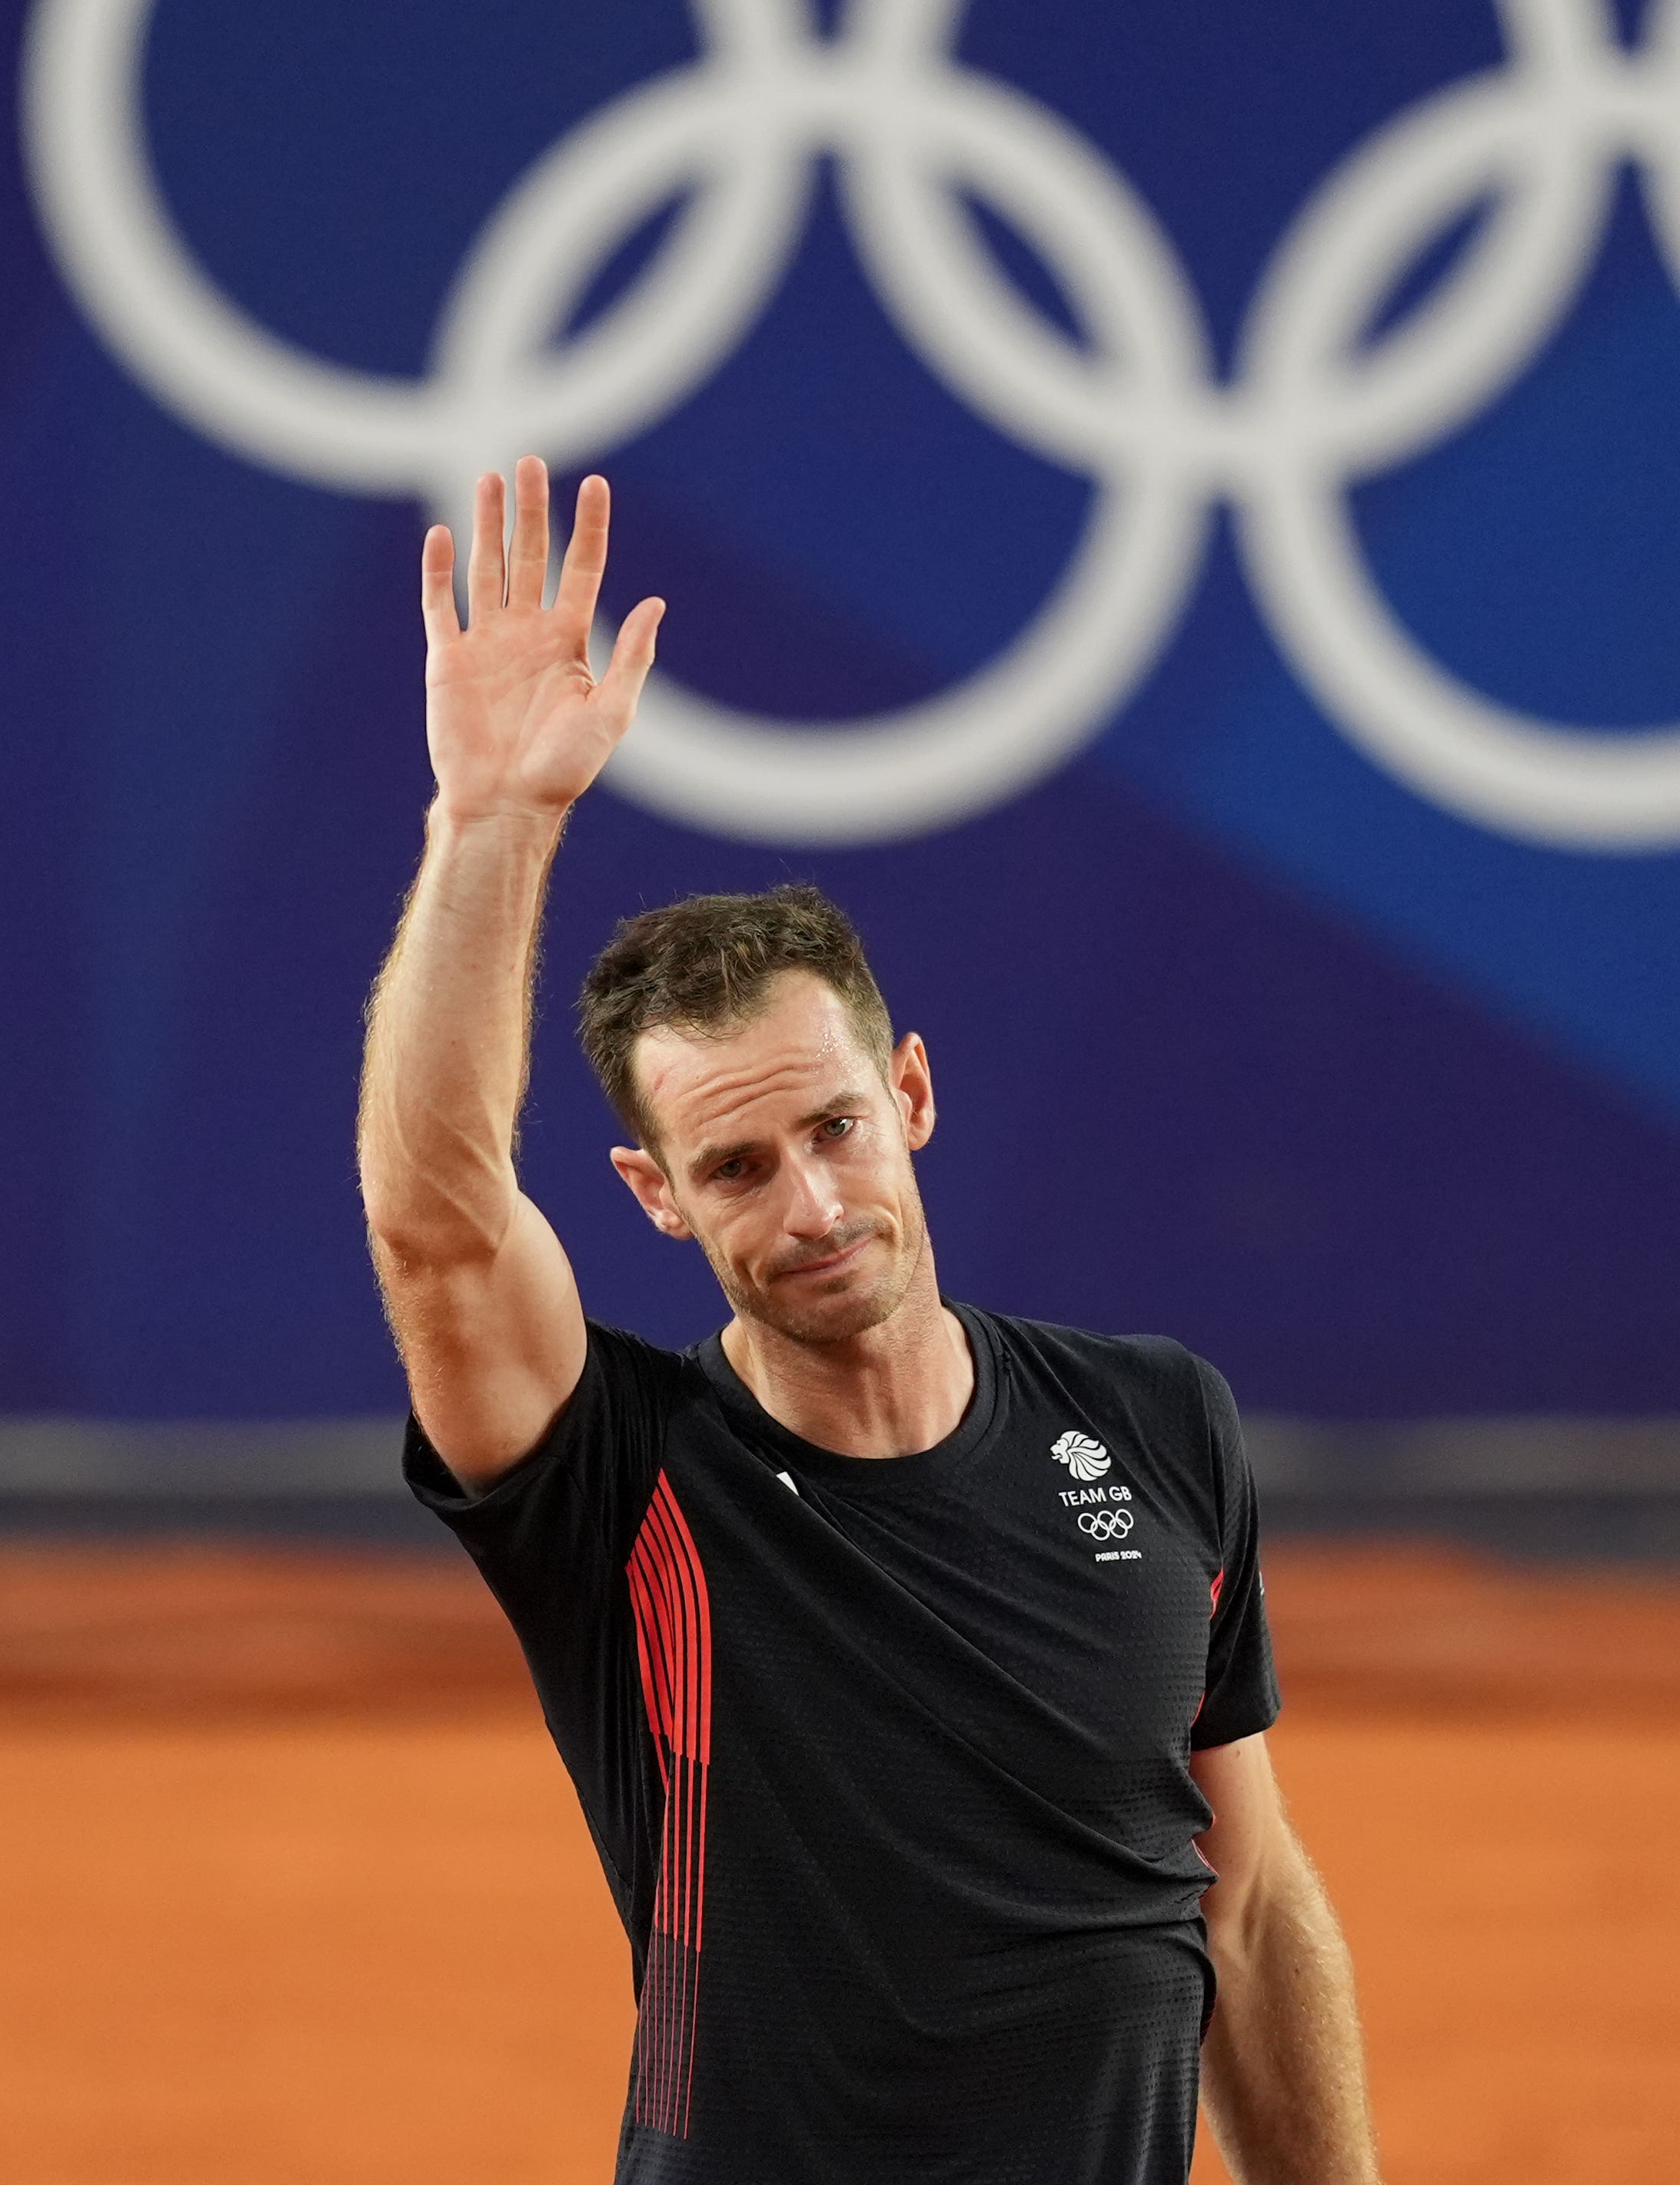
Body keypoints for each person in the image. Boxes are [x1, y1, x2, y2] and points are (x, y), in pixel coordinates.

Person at [359, 457, 1382, 2183]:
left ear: (908, 1091)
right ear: (655, 1195)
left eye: (833, 1128)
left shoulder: (1156, 1424)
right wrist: (493, 828)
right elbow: (439, 1229)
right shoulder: (620, 1486)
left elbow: (1253, 1905)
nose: (813, 1206)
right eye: (737, 1164)